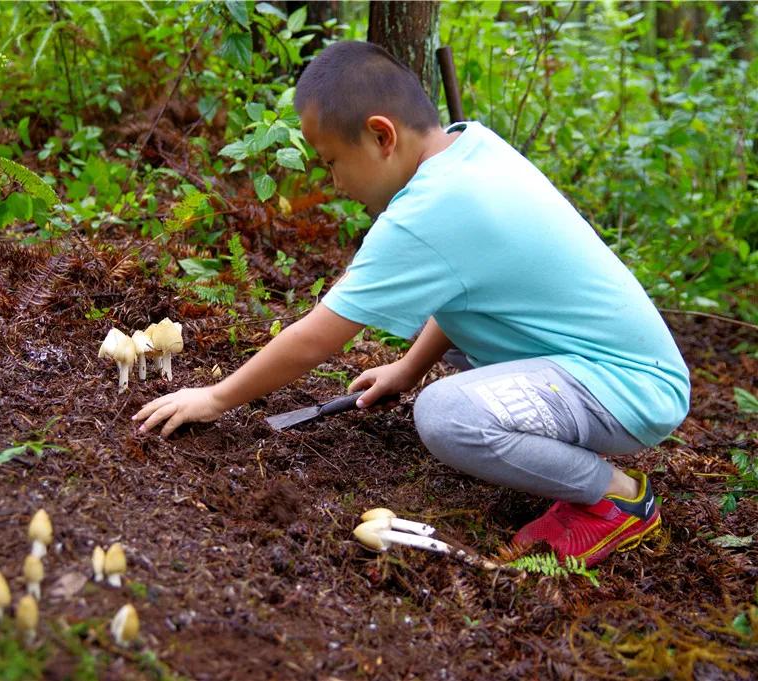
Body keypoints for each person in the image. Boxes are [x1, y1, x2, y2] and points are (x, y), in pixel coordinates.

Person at [133, 41, 689, 567]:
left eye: (331, 161)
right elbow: (468, 293)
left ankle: (616, 500)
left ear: (381, 136)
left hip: (629, 388)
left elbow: (316, 338)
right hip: (603, 367)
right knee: (448, 377)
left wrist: (216, 397)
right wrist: (408, 367)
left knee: (447, 416)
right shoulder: (470, 148)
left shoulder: (429, 211)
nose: (333, 182)